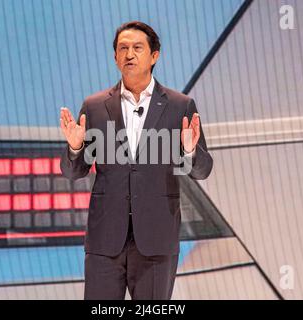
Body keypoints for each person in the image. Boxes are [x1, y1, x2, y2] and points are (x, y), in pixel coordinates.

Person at [60, 21, 213, 300]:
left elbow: (202, 171)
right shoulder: (94, 107)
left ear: (155, 56)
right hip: (105, 242)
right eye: (123, 48)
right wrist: (75, 146)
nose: (129, 54)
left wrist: (189, 151)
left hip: (157, 241)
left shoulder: (180, 106)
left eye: (137, 48)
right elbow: (73, 171)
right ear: (115, 57)